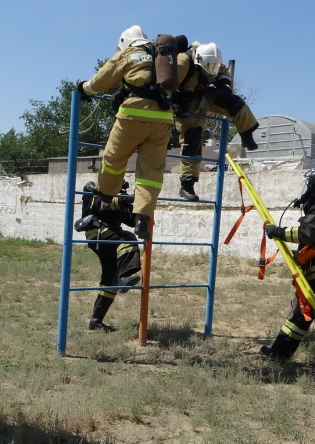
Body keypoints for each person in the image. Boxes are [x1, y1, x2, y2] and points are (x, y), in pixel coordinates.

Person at [77, 25, 181, 241]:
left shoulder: (129, 53)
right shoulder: (160, 54)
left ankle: (106, 194)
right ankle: (142, 217)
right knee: (151, 173)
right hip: (163, 120)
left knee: (114, 157)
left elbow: (103, 78)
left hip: (133, 116)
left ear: (124, 42)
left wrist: (85, 89)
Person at [259, 167, 315, 371]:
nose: (304, 189)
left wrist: (278, 232)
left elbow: (307, 234)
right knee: (300, 314)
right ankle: (280, 353)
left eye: (307, 185)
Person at [173, 40, 260, 201]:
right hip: (188, 105)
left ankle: (247, 135)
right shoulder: (183, 61)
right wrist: (176, 102)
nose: (211, 72)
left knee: (236, 104)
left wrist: (225, 87)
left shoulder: (214, 61)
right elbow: (167, 85)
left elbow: (225, 74)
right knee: (192, 141)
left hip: (206, 96)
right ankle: (187, 185)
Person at [75, 181, 141, 331]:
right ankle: (126, 276)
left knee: (110, 280)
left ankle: (96, 321)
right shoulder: (93, 189)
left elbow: (130, 219)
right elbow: (105, 202)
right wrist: (129, 198)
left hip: (110, 238)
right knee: (127, 238)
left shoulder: (120, 200)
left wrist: (140, 209)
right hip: (99, 235)